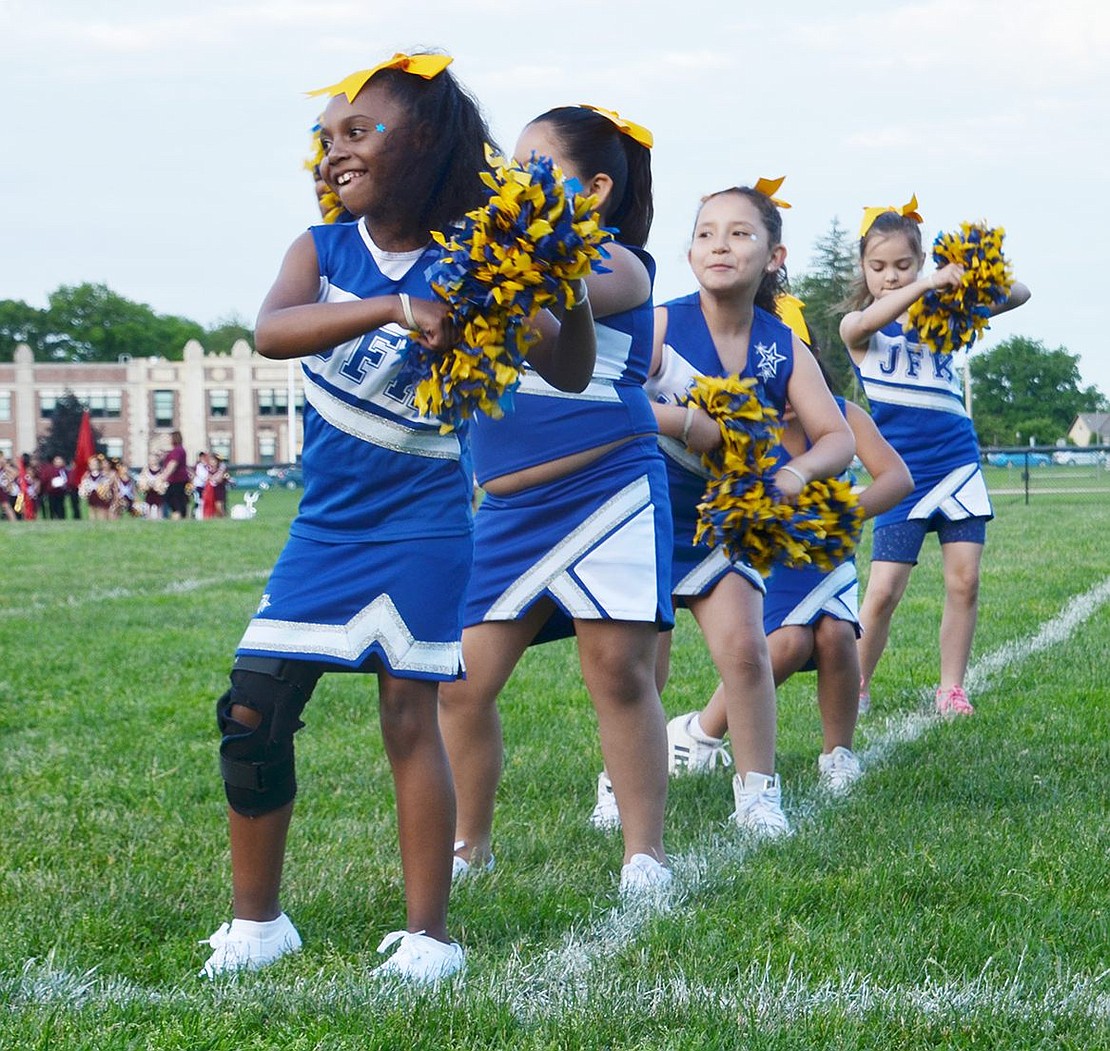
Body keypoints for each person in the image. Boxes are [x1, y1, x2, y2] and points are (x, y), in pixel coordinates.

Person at [200, 52, 594, 984]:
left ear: (426, 142)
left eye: (358, 131)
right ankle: (258, 924)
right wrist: (389, 306)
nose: (336, 150)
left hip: (423, 523)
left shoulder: (480, 265)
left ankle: (430, 936)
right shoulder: (322, 249)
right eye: (328, 136)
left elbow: (571, 367)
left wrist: (561, 277)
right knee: (253, 708)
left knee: (407, 714)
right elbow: (271, 330)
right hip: (325, 528)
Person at [437, 104, 674, 896]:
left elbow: (542, 305)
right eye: (512, 159)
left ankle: (645, 855)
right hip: (504, 511)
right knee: (462, 680)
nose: (516, 173)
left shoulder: (623, 263)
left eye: (537, 161)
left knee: (616, 671)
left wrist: (477, 262)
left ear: (596, 186)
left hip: (606, 486)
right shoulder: (489, 253)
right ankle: (470, 846)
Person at [633, 184, 854, 837]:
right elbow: (614, 404)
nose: (720, 245)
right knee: (638, 666)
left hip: (726, 522)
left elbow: (837, 436)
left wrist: (794, 471)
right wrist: (685, 420)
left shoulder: (782, 345)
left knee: (746, 651)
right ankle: (619, 781)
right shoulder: (663, 322)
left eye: (739, 233)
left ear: (773, 254)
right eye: (706, 233)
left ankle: (758, 794)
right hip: (648, 512)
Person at [660, 324, 913, 797]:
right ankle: (699, 732)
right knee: (788, 644)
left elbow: (897, 478)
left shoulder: (845, 416)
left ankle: (839, 752)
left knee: (838, 635)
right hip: (771, 558)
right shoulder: (746, 425)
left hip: (827, 555)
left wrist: (839, 512)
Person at [840, 200, 1030, 716]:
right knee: (883, 592)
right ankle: (855, 685)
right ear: (862, 267)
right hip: (902, 474)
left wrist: (966, 279)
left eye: (904, 265)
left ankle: (951, 688)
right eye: (877, 267)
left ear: (921, 259)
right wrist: (921, 285)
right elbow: (860, 324)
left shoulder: (944, 316)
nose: (890, 276)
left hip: (957, 462)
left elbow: (1020, 294)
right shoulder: (863, 328)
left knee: (965, 581)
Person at [159, 431, 190, 519]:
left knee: (171, 498)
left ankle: (179, 515)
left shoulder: (177, 450)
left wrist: (164, 476)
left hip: (177, 479)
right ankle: (181, 515)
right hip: (180, 479)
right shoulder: (179, 449)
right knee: (180, 499)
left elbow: (173, 464)